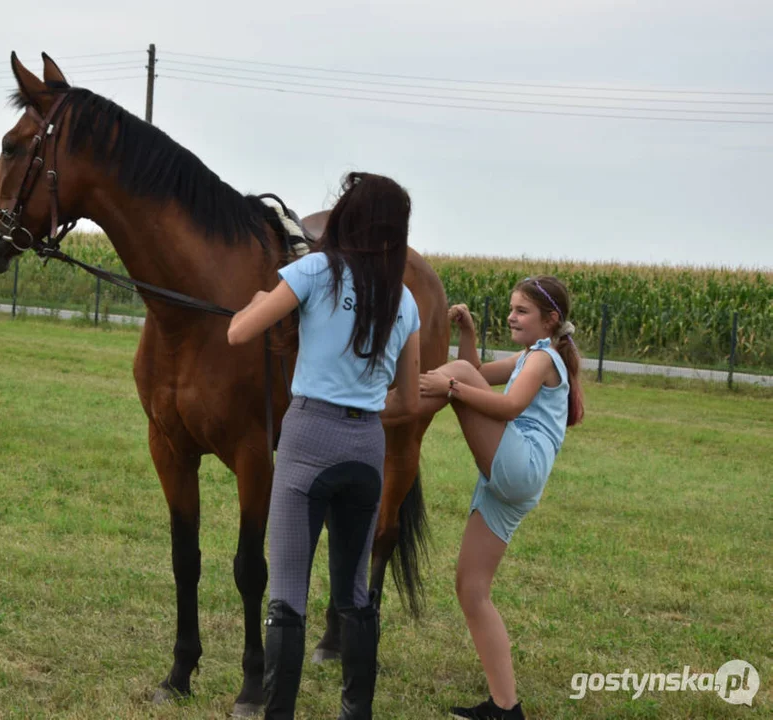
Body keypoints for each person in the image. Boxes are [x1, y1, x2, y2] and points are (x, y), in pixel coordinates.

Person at [227, 172, 422, 719]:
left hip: (308, 439)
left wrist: (256, 303)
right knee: (354, 594)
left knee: (288, 593)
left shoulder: (315, 269)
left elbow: (238, 333)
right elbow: (407, 402)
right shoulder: (403, 300)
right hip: (366, 448)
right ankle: (355, 712)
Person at [416, 276, 585, 720]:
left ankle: (384, 403)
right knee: (471, 590)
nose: (512, 316)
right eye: (511, 309)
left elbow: (504, 407)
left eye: (522, 311)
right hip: (511, 479)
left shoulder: (544, 358)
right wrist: (467, 335)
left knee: (456, 380)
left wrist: (449, 389)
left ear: (550, 320)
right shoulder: (529, 356)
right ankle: (506, 708)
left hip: (520, 463)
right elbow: (477, 373)